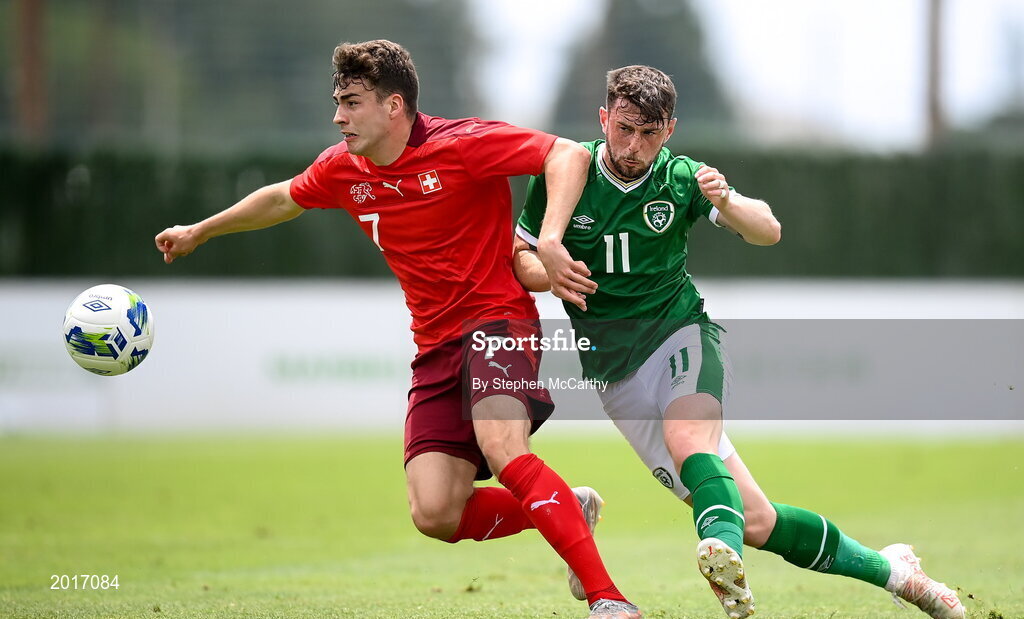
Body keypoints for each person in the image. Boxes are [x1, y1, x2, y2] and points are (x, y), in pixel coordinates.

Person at [154, 40, 641, 619]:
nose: (338, 116)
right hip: (434, 346)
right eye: (337, 102)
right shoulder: (345, 169)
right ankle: (566, 508)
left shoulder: (461, 145)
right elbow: (283, 198)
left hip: (498, 322)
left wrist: (551, 239)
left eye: (351, 103)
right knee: (436, 513)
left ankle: (609, 600)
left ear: (393, 106)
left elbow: (567, 155)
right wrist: (201, 230)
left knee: (504, 449)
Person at [513, 64, 965, 619]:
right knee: (758, 521)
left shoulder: (681, 178)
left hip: (679, 334)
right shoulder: (567, 171)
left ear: (670, 130)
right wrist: (550, 274)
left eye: (650, 133)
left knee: (689, 437)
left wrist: (725, 201)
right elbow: (520, 257)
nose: (634, 146)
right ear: (604, 117)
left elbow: (768, 229)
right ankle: (900, 573)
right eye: (625, 128)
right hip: (614, 374)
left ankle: (719, 556)